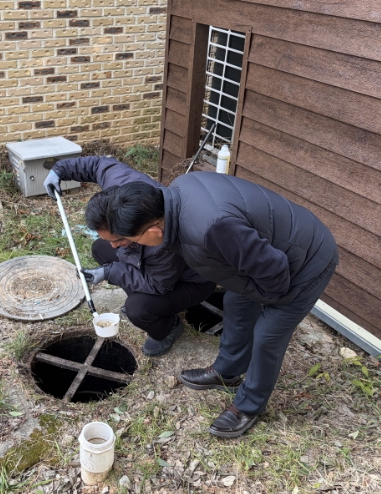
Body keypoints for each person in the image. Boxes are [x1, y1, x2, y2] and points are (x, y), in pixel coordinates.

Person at [97, 172, 338, 438]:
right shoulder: (176, 193)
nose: (129, 245)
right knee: (236, 303)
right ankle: (227, 373)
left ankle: (248, 406)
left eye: (133, 240)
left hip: (306, 262)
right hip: (273, 248)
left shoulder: (210, 228)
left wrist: (268, 301)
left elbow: (275, 273)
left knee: (268, 334)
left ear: (154, 230)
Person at [43, 156, 216, 357]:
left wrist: (110, 272)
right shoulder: (122, 191)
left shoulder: (161, 238)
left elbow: (157, 284)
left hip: (190, 280)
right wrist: (60, 170)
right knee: (100, 249)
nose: (114, 245)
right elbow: (98, 165)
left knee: (138, 309)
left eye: (119, 239)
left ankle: (168, 327)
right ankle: (140, 295)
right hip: (156, 265)